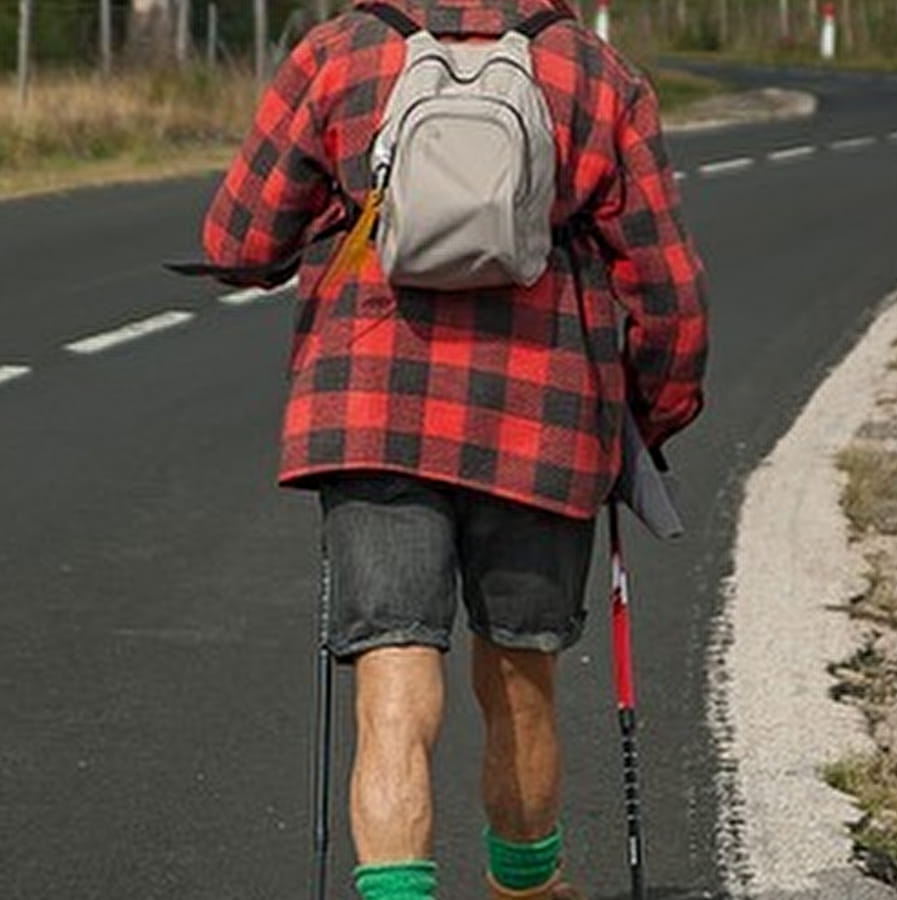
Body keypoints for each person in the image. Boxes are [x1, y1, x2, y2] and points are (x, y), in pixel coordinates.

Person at [198, 1, 708, 897]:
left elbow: (240, 246)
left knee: (393, 675)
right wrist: (645, 418)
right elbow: (667, 291)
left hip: (370, 408)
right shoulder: (594, 73)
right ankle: (525, 888)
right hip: (541, 418)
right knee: (520, 668)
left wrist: (347, 207)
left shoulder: (339, 55)